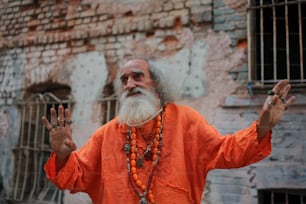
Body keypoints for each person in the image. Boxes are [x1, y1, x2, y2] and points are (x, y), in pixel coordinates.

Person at [42, 58, 296, 204]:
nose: (129, 84)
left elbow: (226, 151)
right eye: (124, 80)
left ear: (157, 83)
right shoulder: (107, 133)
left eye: (137, 77)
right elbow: (75, 176)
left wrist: (263, 126)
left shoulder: (186, 121)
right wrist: (62, 155)